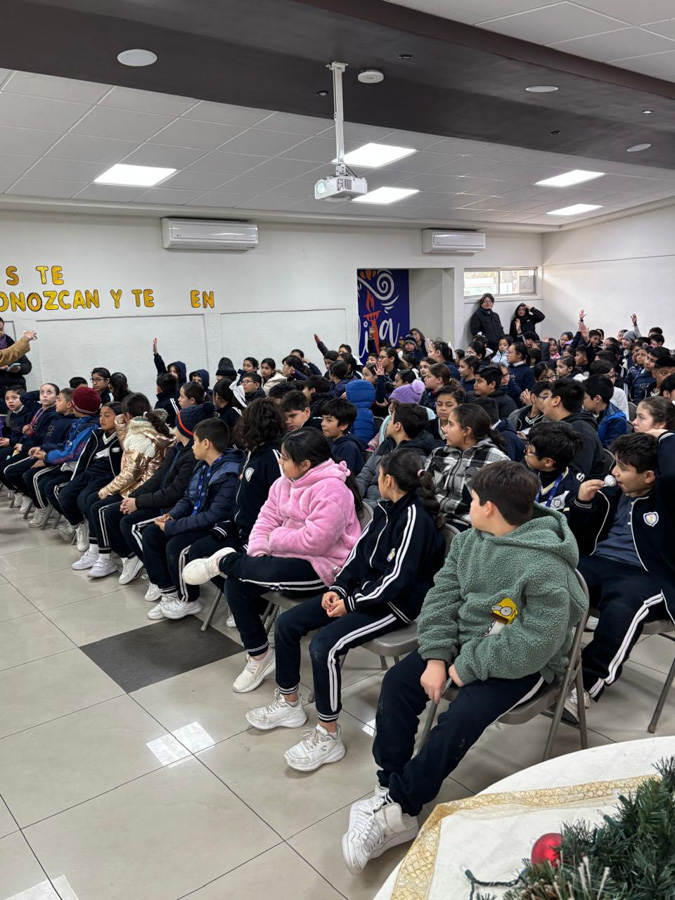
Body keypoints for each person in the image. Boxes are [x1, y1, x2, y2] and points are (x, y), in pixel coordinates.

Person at [342, 461, 588, 874]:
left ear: (488, 507)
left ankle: (402, 806)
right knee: (398, 683)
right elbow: (442, 595)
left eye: (471, 500)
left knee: (460, 719)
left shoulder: (546, 564)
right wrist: (438, 655)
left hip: (522, 665)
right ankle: (391, 783)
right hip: (462, 644)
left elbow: (535, 643)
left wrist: (465, 667)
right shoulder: (470, 540)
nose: (465, 506)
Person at [245, 447, 446, 771]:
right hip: (361, 594)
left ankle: (328, 733)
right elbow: (357, 556)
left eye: (379, 474)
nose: (375, 479)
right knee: (287, 624)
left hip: (393, 605)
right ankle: (289, 702)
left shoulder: (414, 518)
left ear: (388, 480)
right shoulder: (384, 509)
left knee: (325, 646)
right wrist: (338, 588)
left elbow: (396, 581)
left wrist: (350, 603)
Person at [182, 428, 362, 693]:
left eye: (285, 458)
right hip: (284, 557)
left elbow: (316, 541)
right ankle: (259, 656)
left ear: (305, 464)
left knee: (245, 573)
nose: (280, 461)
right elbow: (265, 520)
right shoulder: (284, 482)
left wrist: (275, 539)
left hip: (324, 567)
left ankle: (223, 562)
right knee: (236, 585)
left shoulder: (333, 490)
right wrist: (258, 552)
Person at [564, 432, 673, 723]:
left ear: (649, 476)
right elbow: (577, 537)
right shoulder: (612, 495)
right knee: (550, 574)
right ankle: (520, 650)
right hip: (600, 562)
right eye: (615, 464)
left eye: (623, 468)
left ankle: (584, 688)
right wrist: (582, 503)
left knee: (624, 605)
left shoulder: (667, 498)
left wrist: (665, 436)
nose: (614, 472)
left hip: (649, 575)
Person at [143, 417, 244, 620]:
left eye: (195, 441)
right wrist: (172, 515)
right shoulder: (202, 465)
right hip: (197, 519)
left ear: (206, 444)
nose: (192, 446)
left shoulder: (229, 473)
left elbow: (214, 515)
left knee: (177, 547)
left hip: (216, 527)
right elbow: (188, 498)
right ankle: (169, 591)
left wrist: (173, 526)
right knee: (151, 533)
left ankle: (189, 599)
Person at [101, 405, 201, 591]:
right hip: (160, 499)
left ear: (185, 429)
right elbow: (159, 477)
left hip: (171, 507)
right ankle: (131, 557)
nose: (174, 429)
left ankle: (161, 580)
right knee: (112, 512)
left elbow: (175, 493)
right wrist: (133, 497)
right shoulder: (177, 448)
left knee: (131, 525)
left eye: (177, 425)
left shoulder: (191, 456)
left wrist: (138, 503)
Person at [72, 393, 172, 577]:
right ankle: (97, 552)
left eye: (108, 415)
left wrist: (107, 489)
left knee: (100, 508)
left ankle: (120, 556)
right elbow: (128, 447)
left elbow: (131, 473)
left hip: (141, 490)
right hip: (136, 487)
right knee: (92, 501)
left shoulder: (142, 438)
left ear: (126, 415)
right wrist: (120, 426)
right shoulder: (139, 431)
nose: (103, 419)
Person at [21, 386, 101, 528]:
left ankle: (78, 524)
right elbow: (65, 445)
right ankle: (73, 522)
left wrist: (47, 457)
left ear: (74, 405)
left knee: (51, 487)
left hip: (79, 469)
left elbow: (72, 453)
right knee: (43, 483)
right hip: (69, 465)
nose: (56, 401)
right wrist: (44, 450)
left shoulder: (90, 427)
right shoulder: (79, 422)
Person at [50, 401, 123, 545]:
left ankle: (94, 537)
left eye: (107, 415)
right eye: (100, 415)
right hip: (89, 472)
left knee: (84, 499)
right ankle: (79, 525)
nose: (102, 419)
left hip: (107, 476)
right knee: (64, 495)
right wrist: (75, 480)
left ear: (120, 418)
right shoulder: (97, 434)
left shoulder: (122, 438)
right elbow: (84, 459)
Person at [425, 404, 509, 529]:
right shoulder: (438, 453)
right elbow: (423, 489)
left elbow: (498, 506)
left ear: (466, 431)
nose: (444, 429)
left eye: (451, 424)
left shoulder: (496, 460)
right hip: (432, 519)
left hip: (468, 526)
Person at [356, 403, 433, 505]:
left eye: (391, 419)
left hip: (381, 507)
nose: (387, 423)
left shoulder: (414, 458)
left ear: (397, 426)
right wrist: (354, 497)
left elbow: (395, 497)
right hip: (365, 502)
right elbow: (367, 472)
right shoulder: (386, 444)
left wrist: (366, 507)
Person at [540, 380, 605, 480]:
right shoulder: (557, 425)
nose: (543, 402)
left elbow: (576, 477)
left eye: (546, 397)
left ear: (556, 401)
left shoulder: (581, 432)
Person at [524, 421, 583, 511]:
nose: (525, 452)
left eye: (530, 450)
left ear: (548, 462)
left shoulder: (571, 491)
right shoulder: (525, 474)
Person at [320, 398, 365, 475]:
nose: (322, 424)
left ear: (343, 425)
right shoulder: (329, 440)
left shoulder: (348, 447)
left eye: (329, 420)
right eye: (323, 419)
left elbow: (342, 475)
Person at [583, 375, 629, 448]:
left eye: (584, 398)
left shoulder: (617, 421)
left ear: (597, 399)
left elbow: (607, 450)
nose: (582, 401)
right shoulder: (585, 412)